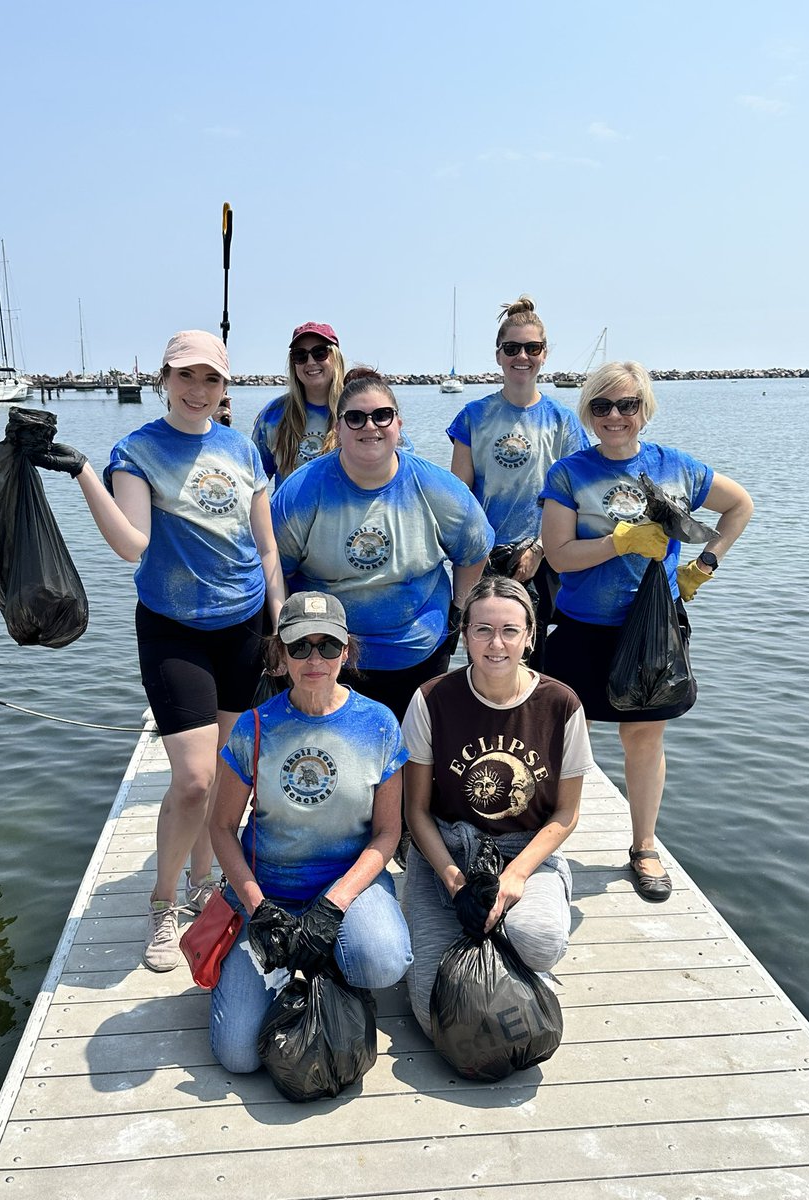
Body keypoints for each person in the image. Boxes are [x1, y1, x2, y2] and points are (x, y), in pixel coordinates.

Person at [31, 330, 285, 968]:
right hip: (174, 627)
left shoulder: (242, 449)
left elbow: (267, 546)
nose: (198, 390)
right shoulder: (137, 450)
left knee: (226, 773)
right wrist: (86, 471)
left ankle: (205, 881)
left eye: (211, 379)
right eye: (186, 376)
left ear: (226, 387)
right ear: (164, 380)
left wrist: (280, 624)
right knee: (193, 780)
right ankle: (163, 903)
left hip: (245, 625)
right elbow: (132, 545)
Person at [540, 360, 753, 901]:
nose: (616, 416)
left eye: (628, 405)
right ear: (588, 411)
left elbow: (739, 506)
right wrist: (620, 542)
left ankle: (643, 846)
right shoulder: (568, 474)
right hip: (582, 625)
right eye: (604, 406)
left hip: (653, 628)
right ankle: (543, 842)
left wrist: (703, 566)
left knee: (644, 738)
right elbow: (560, 558)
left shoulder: (676, 467)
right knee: (563, 735)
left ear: (644, 410)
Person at [207, 591, 413, 1073]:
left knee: (382, 961)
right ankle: (269, 963)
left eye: (327, 646)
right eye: (299, 647)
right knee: (238, 1056)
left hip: (346, 888)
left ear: (347, 652)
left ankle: (328, 965)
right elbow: (220, 828)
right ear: (280, 655)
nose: (314, 659)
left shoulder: (380, 724)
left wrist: (333, 905)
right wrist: (258, 908)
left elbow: (387, 834)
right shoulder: (254, 726)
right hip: (268, 892)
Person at [400, 576, 593, 1038]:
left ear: (530, 637)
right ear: (465, 634)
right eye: (482, 629)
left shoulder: (561, 704)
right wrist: (454, 883)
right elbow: (416, 812)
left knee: (542, 943)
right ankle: (478, 932)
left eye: (510, 630)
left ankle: (514, 951)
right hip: (446, 851)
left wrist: (516, 876)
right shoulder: (430, 700)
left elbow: (565, 814)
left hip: (526, 849)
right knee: (434, 1012)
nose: (496, 643)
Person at [271, 367, 494, 723]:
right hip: (327, 658)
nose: (370, 426)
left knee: (415, 765)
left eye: (382, 415)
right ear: (338, 429)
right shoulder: (302, 491)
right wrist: (284, 639)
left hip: (419, 652)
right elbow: (275, 568)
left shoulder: (436, 486)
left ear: (398, 424)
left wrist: (459, 613)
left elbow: (474, 549)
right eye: (355, 418)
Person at [448, 295, 590, 667]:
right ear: (498, 355)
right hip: (485, 560)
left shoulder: (562, 421)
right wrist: (474, 555)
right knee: (486, 660)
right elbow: (457, 498)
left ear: (545, 354)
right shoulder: (473, 417)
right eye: (512, 348)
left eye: (532, 348)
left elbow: (576, 499)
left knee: (535, 663)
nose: (521, 356)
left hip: (544, 560)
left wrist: (541, 549)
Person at [251, 322, 346, 489]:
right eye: (300, 355)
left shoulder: (360, 410)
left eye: (320, 352)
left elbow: (399, 463)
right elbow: (253, 482)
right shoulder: (273, 415)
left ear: (335, 357)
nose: (310, 362)